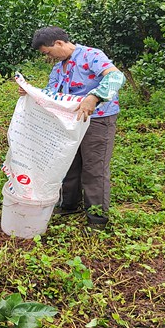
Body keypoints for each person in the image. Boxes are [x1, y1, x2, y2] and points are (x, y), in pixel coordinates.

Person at [17, 26, 125, 228]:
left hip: (98, 119)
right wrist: (31, 92)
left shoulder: (91, 55)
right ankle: (69, 205)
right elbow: (51, 94)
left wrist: (94, 96)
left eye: (47, 52)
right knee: (69, 163)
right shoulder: (59, 68)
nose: (47, 57)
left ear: (58, 43)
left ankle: (97, 219)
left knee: (94, 168)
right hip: (70, 122)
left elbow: (116, 77)